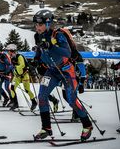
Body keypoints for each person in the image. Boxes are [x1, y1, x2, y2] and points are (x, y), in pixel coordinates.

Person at [32, 9, 93, 141]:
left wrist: (51, 46)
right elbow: (39, 49)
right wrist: (36, 60)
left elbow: (67, 53)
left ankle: (87, 125)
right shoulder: (37, 36)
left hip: (66, 71)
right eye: (36, 25)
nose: (37, 27)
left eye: (40, 24)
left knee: (71, 99)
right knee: (42, 96)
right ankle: (46, 128)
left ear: (48, 24)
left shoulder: (58, 35)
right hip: (52, 71)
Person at [6, 43, 37, 111]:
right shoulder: (12, 58)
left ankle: (34, 102)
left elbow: (22, 65)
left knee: (27, 90)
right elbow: (13, 67)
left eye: (9, 51)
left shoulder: (19, 56)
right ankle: (15, 103)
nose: (8, 53)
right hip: (17, 76)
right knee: (12, 88)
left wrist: (15, 67)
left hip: (24, 75)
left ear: (12, 51)